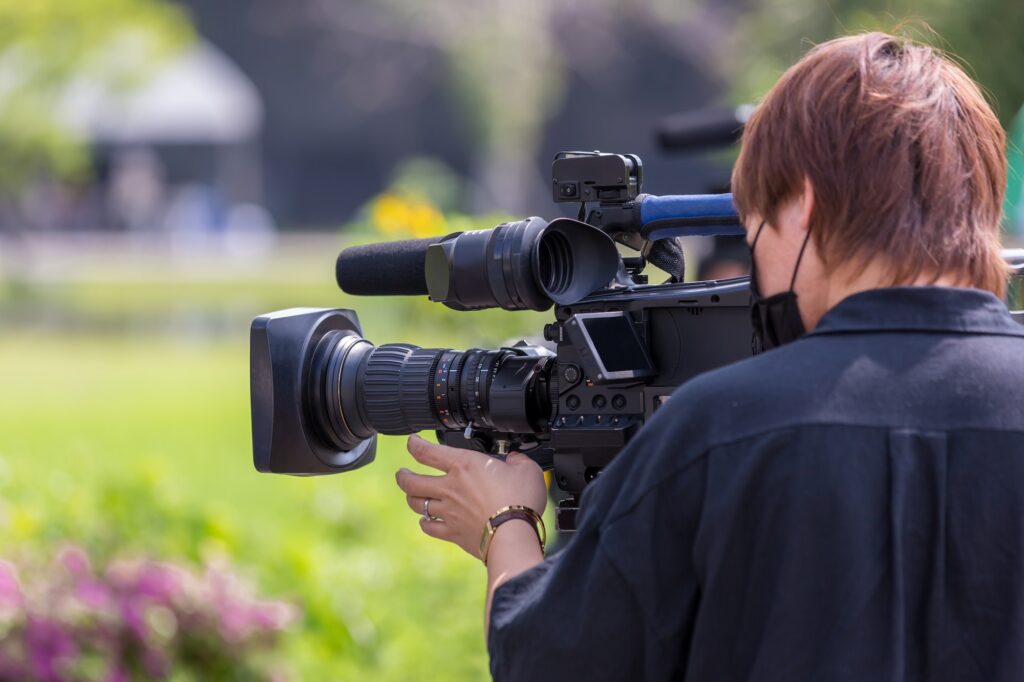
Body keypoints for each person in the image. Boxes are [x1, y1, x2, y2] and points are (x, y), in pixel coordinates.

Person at [395, 32, 1024, 681]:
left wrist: (505, 524)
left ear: (803, 206)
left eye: (756, 233)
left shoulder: (718, 430)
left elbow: (550, 663)